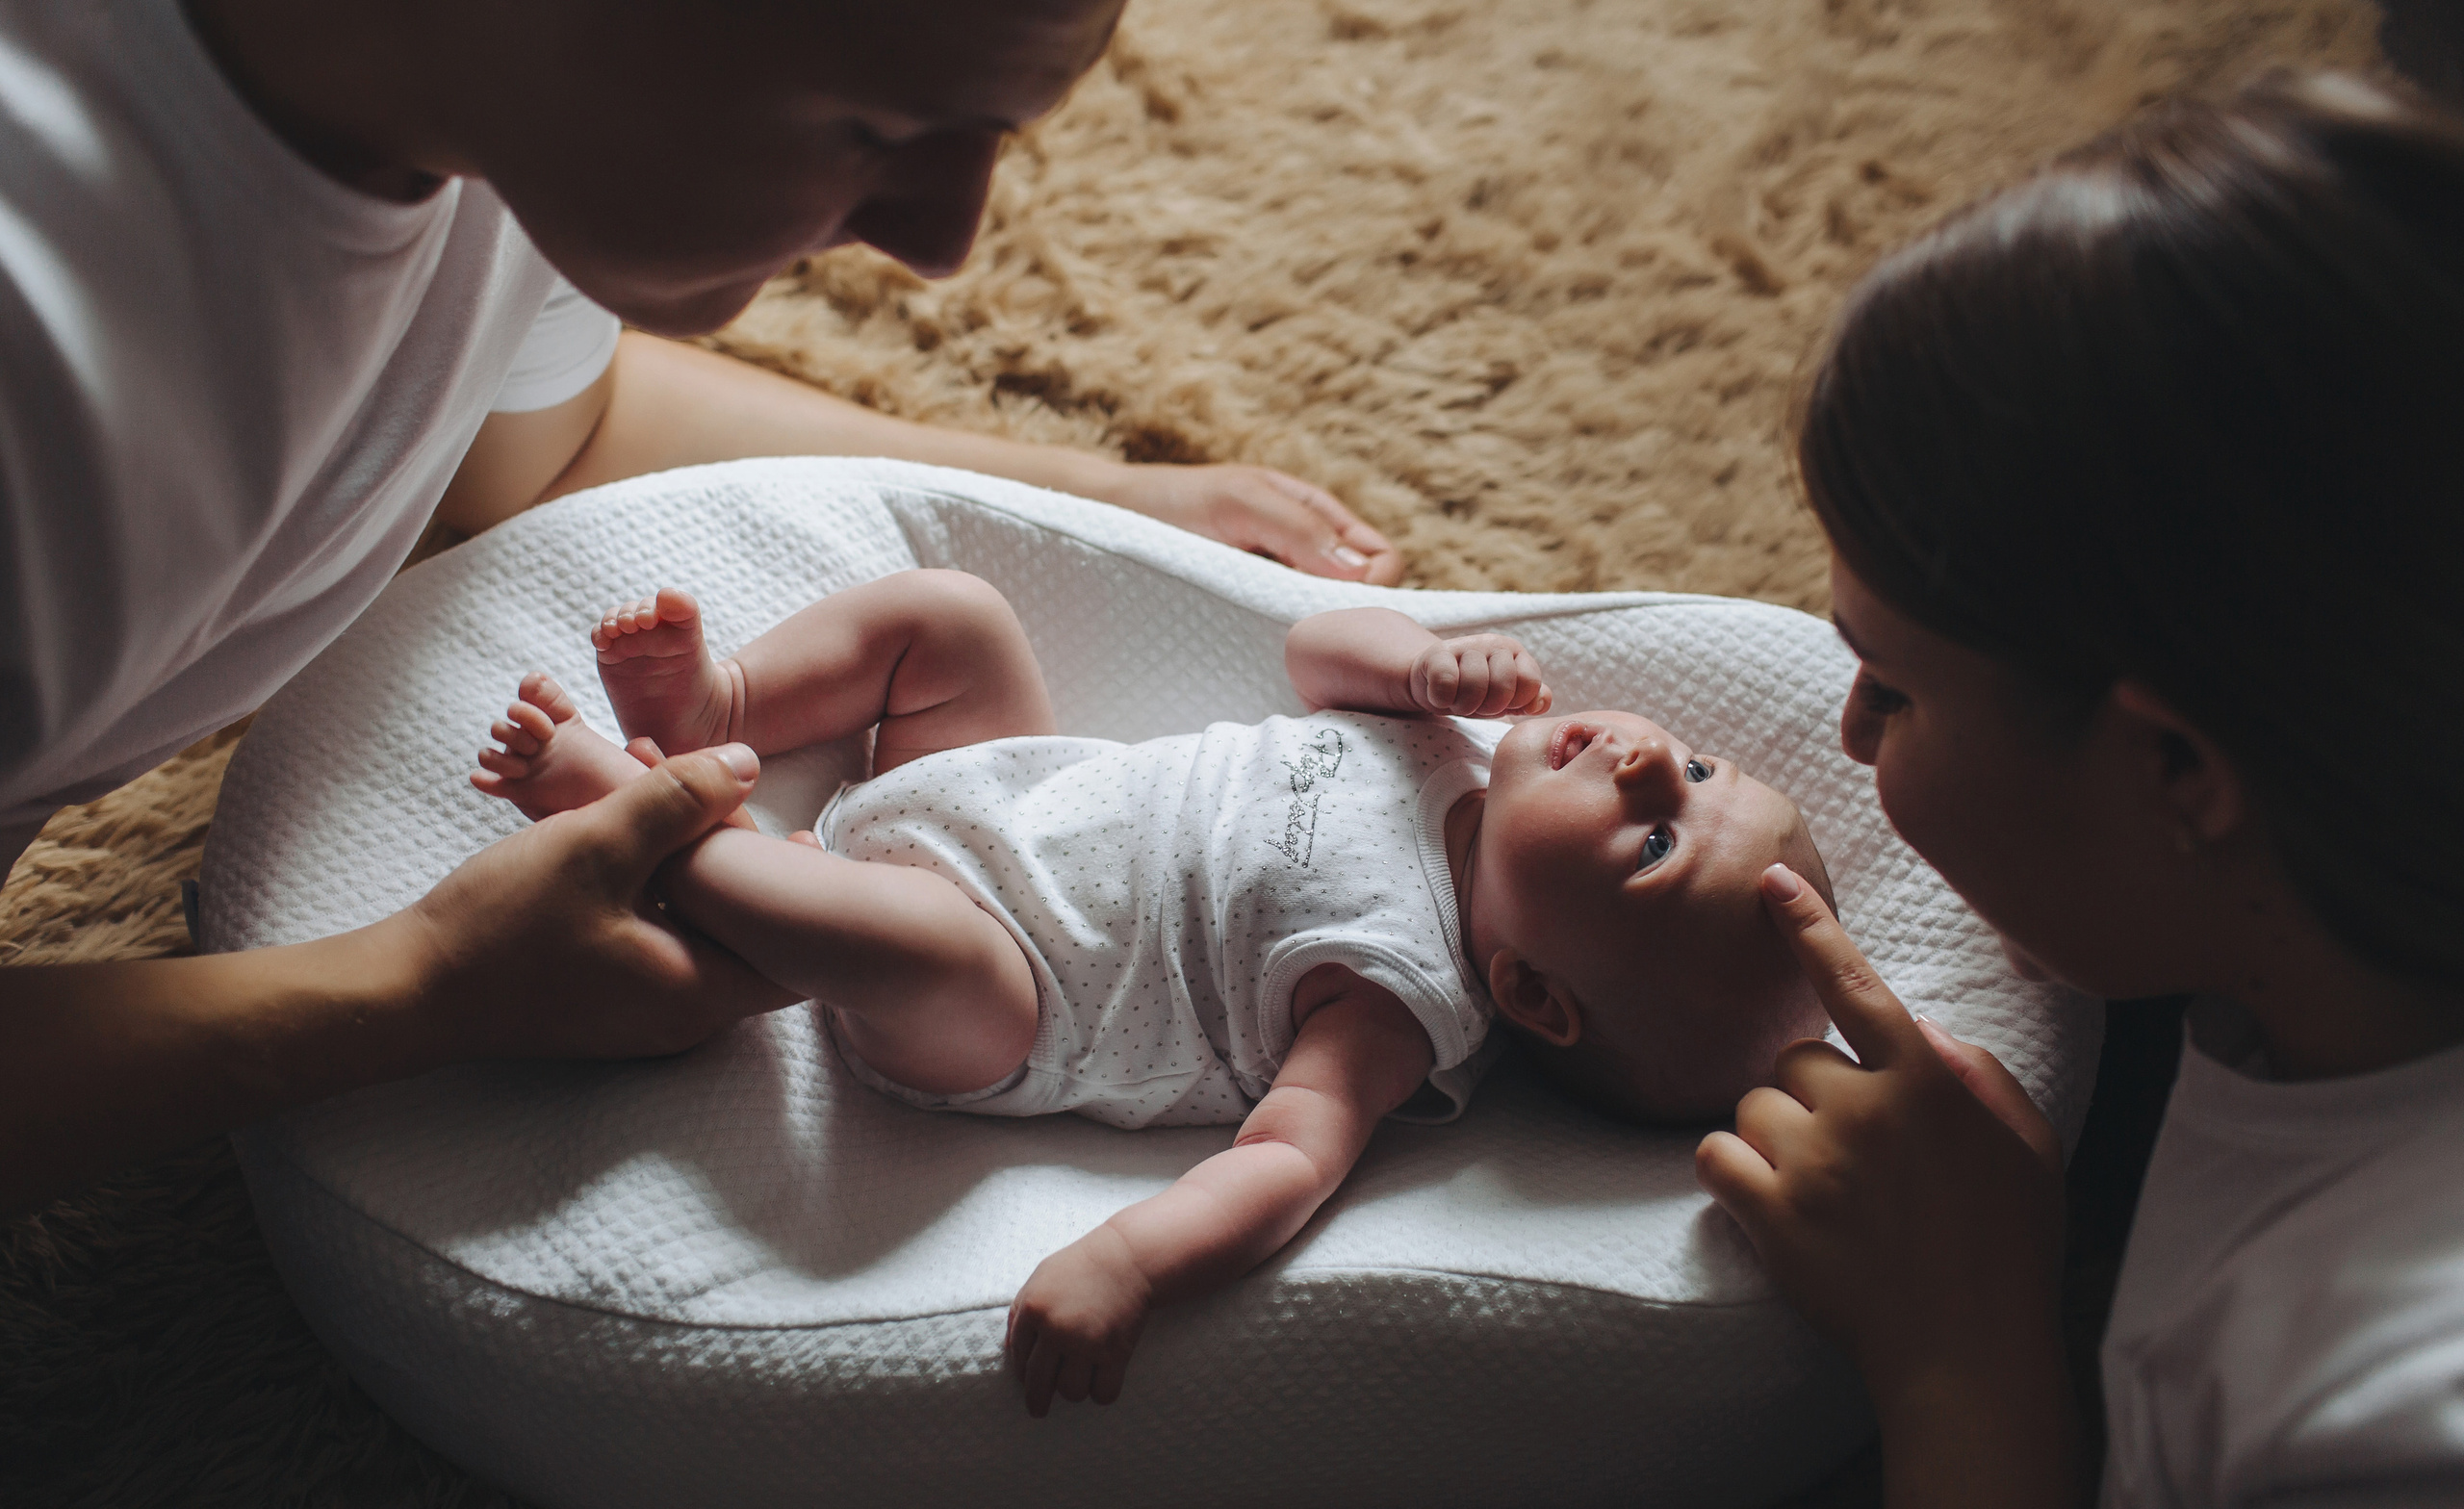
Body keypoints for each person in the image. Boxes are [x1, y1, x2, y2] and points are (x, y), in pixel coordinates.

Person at [0, 0, 1404, 1217]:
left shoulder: (479, 113)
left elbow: (542, 434)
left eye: (997, 137)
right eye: (872, 127)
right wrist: (422, 987)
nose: (943, 246)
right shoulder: (46, 376)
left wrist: (1094, 494)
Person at [1691, 73, 2464, 1509]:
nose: (1843, 735)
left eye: (1894, 688)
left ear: (2178, 771)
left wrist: (1962, 1359)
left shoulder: (2399, 1456)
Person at [466, 573, 1834, 1415]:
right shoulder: (1452, 741)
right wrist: (1413, 659)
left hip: (1016, 984)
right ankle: (729, 702)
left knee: (909, 951)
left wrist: (1127, 1264)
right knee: (954, 618)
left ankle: (655, 826)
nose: (1656, 766)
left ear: (1533, 993)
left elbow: (1289, 1162)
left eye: (1653, 843)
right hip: (1014, 783)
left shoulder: (1403, 997)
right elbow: (1312, 653)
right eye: (1700, 773)